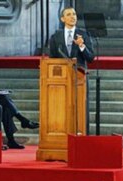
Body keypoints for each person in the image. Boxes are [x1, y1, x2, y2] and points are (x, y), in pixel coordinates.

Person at [49, 6, 94, 134]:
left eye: (74, 14)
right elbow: (52, 58)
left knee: (81, 108)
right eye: (69, 14)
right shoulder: (56, 36)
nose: (73, 16)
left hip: (79, 78)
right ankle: (62, 133)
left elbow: (90, 57)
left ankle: (82, 133)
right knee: (62, 108)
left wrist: (81, 45)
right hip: (61, 80)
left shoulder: (84, 34)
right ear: (63, 19)